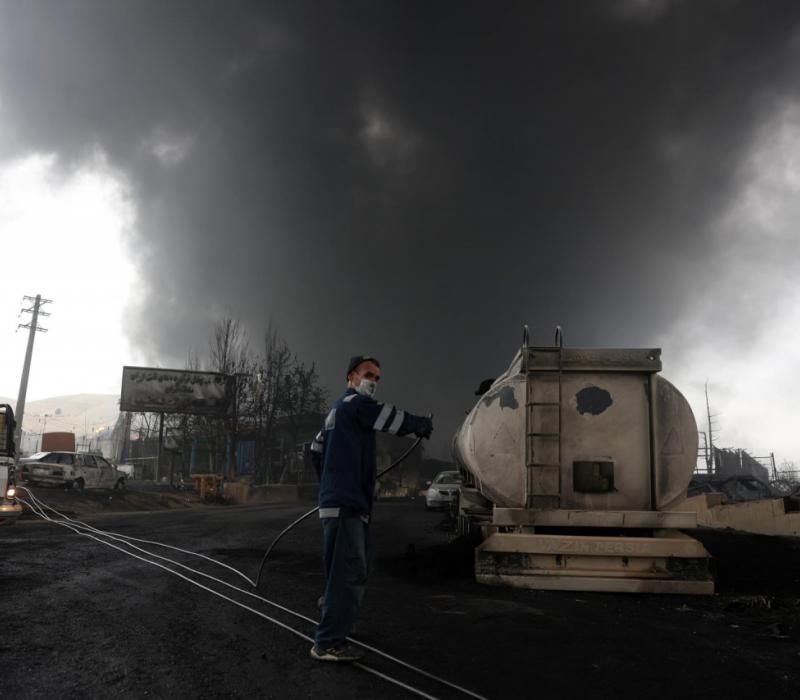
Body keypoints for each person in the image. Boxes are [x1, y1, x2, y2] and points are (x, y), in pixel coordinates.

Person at [308, 355, 433, 662]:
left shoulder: (335, 414)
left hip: (340, 502)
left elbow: (315, 450)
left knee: (347, 569)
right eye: (368, 375)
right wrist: (420, 424)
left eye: (377, 378)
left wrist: (331, 482)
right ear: (351, 376)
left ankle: (333, 619)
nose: (373, 382)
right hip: (346, 505)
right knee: (349, 571)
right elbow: (390, 416)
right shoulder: (354, 405)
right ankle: (328, 643)